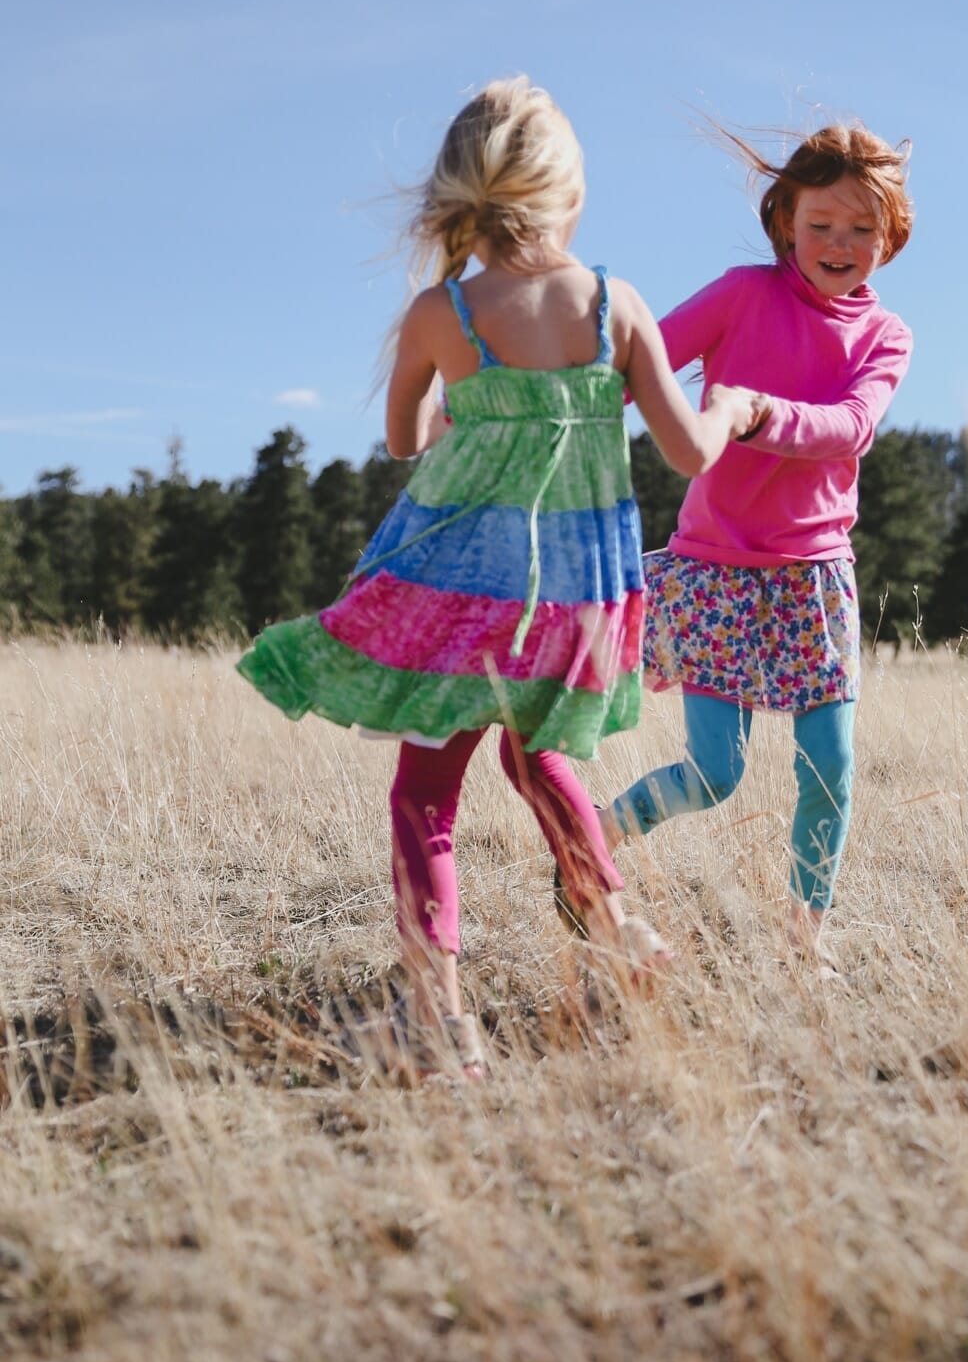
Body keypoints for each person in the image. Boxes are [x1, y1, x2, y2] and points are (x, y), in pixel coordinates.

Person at [237, 78, 760, 1080]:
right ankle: (619, 928)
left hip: (452, 600)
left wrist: (458, 421)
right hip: (568, 603)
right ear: (569, 195)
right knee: (540, 761)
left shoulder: (441, 313)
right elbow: (691, 454)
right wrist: (731, 404)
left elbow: (401, 439)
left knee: (425, 798)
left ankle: (444, 1022)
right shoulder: (614, 304)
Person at [599, 121, 914, 949]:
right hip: (716, 572)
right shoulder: (743, 292)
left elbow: (849, 427)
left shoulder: (886, 337)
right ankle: (594, 838)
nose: (840, 244)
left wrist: (751, 409)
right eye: (821, 226)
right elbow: (644, 367)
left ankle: (805, 942)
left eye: (862, 230)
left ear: (891, 234)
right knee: (714, 775)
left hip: (813, 578)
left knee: (830, 771)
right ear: (784, 222)